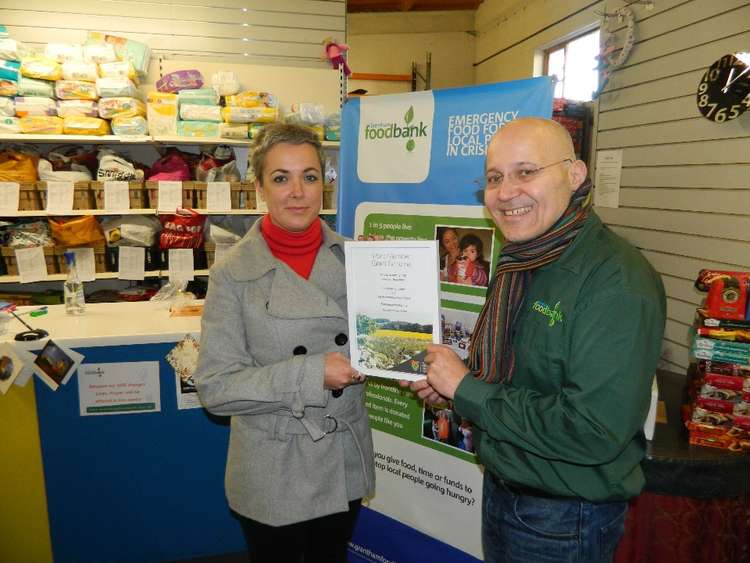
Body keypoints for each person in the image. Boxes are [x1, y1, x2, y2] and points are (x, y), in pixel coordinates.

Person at [405, 117, 666, 563]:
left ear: (575, 174)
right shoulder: (522, 259)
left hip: (563, 518)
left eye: (526, 172)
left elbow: (593, 428)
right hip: (506, 491)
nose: (506, 192)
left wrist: (468, 390)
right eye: (494, 178)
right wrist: (453, 391)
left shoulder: (615, 281)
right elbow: (520, 378)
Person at [194, 123, 375, 563]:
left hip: (340, 457)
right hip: (274, 467)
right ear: (259, 187)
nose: (298, 192)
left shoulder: (359, 258)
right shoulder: (233, 273)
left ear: (325, 185)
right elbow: (216, 387)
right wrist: (312, 373)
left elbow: (381, 345)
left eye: (310, 177)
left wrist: (391, 282)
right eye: (281, 178)